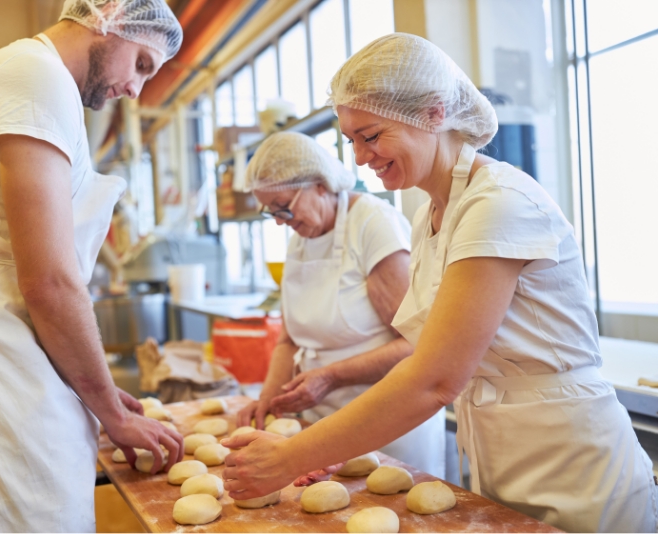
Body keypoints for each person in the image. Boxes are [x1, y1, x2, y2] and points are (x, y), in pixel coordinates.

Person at [222, 34, 658, 533]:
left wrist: (291, 457)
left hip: (575, 466)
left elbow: (434, 377)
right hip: (502, 456)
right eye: (352, 142)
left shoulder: (498, 204)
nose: (361, 159)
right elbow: (424, 350)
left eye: (371, 136)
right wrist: (333, 446)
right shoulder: (431, 216)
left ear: (432, 114)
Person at [0, 1, 184, 532]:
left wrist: (93, 385)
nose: (135, 89)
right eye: (142, 64)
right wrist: (113, 413)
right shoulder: (34, 76)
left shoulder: (41, 82)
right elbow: (49, 281)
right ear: (107, 15)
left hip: (2, 351)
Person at [237, 132, 446, 478]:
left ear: (320, 185)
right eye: (269, 211)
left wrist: (331, 377)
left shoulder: (373, 226)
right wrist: (267, 403)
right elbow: (289, 340)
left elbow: (417, 344)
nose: (278, 220)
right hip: (322, 422)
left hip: (389, 422)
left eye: (283, 206)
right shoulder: (300, 237)